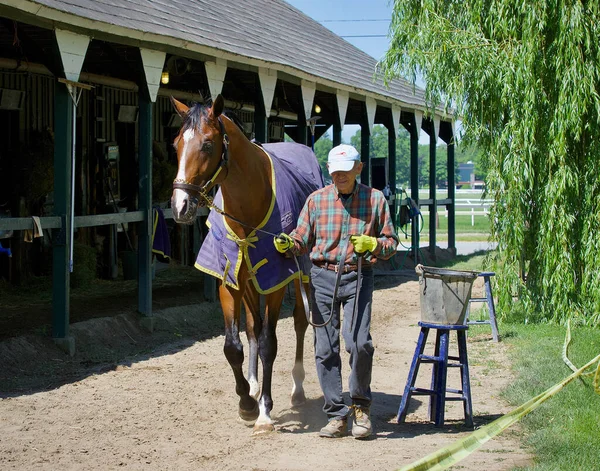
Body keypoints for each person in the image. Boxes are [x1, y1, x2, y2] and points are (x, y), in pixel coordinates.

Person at [273, 144, 398, 439]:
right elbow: (301, 238)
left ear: (358, 168)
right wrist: (288, 243)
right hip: (322, 278)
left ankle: (361, 407)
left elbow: (392, 243)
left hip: (359, 275)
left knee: (359, 343)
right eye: (335, 172)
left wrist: (376, 245)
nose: (340, 176)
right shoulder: (316, 201)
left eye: (345, 171)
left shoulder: (375, 200)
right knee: (325, 349)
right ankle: (336, 415)